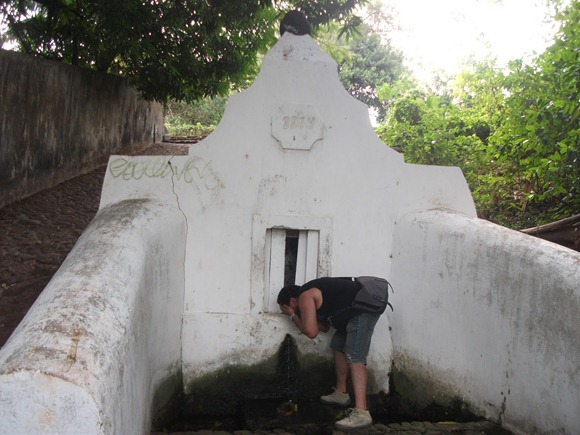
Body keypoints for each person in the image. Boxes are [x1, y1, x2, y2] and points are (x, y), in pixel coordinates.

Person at [277, 277, 381, 430]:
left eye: (284, 310)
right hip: (352, 312)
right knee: (338, 345)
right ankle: (341, 394)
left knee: (355, 357)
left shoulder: (305, 296)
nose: (287, 313)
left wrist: (293, 315)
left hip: (361, 311)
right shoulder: (310, 295)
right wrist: (301, 317)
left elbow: (311, 332)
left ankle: (362, 413)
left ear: (292, 301)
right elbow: (324, 327)